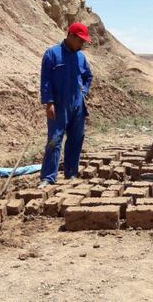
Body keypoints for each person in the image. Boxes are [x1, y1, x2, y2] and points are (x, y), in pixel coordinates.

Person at [38, 23, 93, 188]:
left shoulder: (81, 57)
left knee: (76, 139)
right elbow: (45, 80)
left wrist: (84, 92)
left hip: (77, 106)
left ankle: (71, 173)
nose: (82, 44)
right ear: (71, 36)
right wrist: (49, 102)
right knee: (55, 139)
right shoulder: (52, 54)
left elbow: (88, 77)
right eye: (81, 40)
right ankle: (48, 177)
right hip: (59, 105)